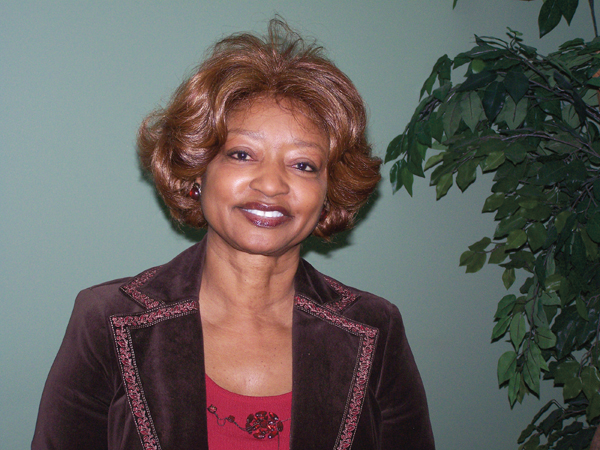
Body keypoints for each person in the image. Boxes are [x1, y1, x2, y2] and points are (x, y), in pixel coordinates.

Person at [32, 19, 435, 450]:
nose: (271, 184)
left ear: (328, 193)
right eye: (242, 154)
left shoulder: (375, 327)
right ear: (197, 170)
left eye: (303, 165)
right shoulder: (106, 320)